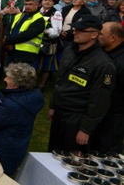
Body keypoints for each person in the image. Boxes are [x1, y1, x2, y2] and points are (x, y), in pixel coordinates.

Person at [48, 15, 116, 152]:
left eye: (80, 30)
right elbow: (60, 80)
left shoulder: (103, 64)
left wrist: (86, 129)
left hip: (77, 118)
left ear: (94, 35)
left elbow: (99, 100)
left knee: (72, 160)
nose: (75, 32)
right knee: (53, 153)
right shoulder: (70, 51)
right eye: (75, 29)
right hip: (60, 112)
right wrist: (53, 105)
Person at [0, 63, 44, 176]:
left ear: (16, 85)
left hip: (1, 154)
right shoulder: (30, 96)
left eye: (8, 78)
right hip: (16, 147)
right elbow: (8, 104)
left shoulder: (13, 106)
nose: (5, 79)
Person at [93, 22, 124, 153]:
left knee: (106, 150)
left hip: (113, 115)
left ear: (113, 38)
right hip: (100, 112)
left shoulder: (120, 61)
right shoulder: (105, 52)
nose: (96, 36)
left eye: (101, 34)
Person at [3, 0, 46, 67]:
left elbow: (27, 35)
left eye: (30, 4)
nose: (28, 6)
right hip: (12, 50)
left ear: (37, 5)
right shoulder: (19, 16)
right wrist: (8, 40)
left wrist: (8, 41)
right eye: (26, 4)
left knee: (22, 76)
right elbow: (8, 28)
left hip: (27, 54)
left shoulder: (39, 19)